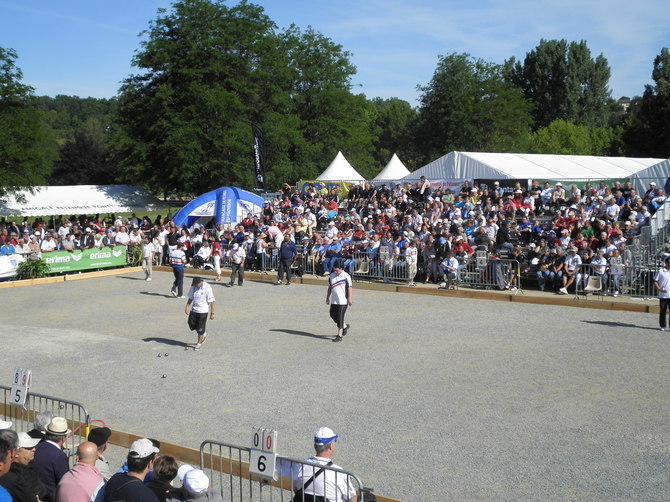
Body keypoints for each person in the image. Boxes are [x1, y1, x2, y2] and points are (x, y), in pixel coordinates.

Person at [293, 427, 357, 502]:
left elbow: (295, 489)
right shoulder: (339, 473)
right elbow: (352, 499)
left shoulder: (301, 466)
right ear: (331, 446)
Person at [31, 416, 71, 501]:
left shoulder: (36, 447)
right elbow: (64, 481)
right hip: (49, 497)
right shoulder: (59, 456)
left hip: (33, 493)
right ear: (63, 438)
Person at [0, 431, 47, 502]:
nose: (34, 449)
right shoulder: (14, 476)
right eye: (28, 448)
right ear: (15, 452)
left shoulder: (27, 468)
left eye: (33, 446)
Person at [185, 277, 215, 350]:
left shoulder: (207, 287)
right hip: (194, 309)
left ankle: (199, 343)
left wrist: (212, 313)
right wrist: (187, 306)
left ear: (200, 283)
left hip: (203, 310)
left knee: (200, 328)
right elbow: (191, 297)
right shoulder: (194, 287)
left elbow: (212, 301)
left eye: (196, 285)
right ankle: (203, 334)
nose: (195, 286)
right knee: (191, 324)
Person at [326, 260, 352, 343]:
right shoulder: (331, 276)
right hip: (334, 300)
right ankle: (344, 326)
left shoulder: (346, 276)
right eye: (334, 270)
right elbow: (330, 287)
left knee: (340, 317)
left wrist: (349, 298)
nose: (335, 271)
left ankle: (339, 335)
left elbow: (349, 288)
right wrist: (327, 297)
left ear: (341, 269)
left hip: (343, 301)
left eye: (337, 270)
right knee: (332, 315)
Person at [653, 256, 670, 331]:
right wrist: (659, 289)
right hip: (663, 295)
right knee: (663, 311)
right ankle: (663, 325)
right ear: (666, 263)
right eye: (668, 263)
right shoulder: (661, 271)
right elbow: (655, 281)